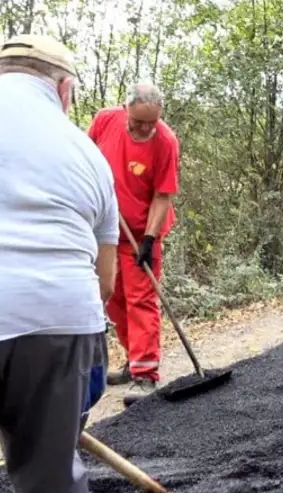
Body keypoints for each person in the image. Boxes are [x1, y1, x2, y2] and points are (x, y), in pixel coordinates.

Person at [0, 34, 119, 493]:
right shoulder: (86, 151)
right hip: (61, 320)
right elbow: (105, 282)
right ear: (64, 89)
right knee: (54, 486)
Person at [88, 82, 180, 406]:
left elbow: (163, 195)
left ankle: (146, 375)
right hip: (106, 231)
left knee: (140, 299)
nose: (144, 129)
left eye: (150, 123)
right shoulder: (105, 121)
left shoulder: (166, 142)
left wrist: (150, 240)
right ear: (126, 108)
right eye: (138, 121)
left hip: (142, 232)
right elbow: (85, 160)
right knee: (113, 297)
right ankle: (133, 362)